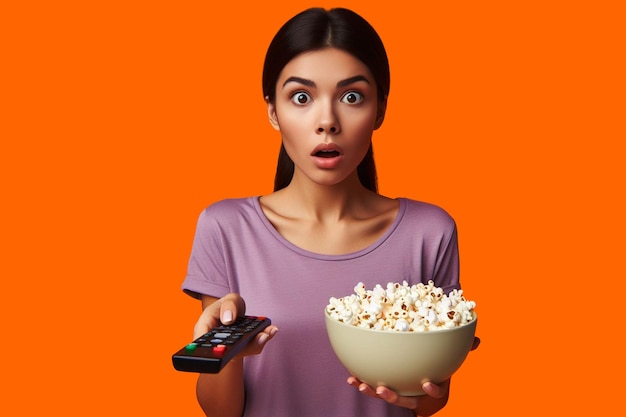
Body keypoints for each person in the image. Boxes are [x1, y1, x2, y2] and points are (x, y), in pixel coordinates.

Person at [182, 7, 479, 417]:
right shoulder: (226, 228)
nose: (327, 121)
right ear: (272, 111)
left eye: (352, 97)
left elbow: (432, 400)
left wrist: (424, 387)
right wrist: (227, 351)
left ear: (380, 110)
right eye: (301, 97)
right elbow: (221, 412)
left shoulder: (430, 232)